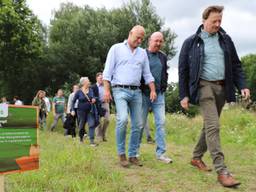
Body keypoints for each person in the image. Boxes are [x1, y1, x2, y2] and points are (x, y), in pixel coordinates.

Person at [178, 5, 250, 188]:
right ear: (204, 21)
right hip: (203, 87)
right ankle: (222, 171)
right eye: (214, 21)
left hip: (222, 88)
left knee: (209, 126)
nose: (217, 24)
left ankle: (196, 157)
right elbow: (183, 71)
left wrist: (242, 86)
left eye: (220, 21)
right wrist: (184, 95)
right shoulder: (191, 42)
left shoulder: (225, 40)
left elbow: (236, 65)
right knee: (214, 126)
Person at [103, 25, 156, 167]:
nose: (139, 41)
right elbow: (107, 72)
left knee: (138, 124)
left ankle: (133, 155)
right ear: (130, 33)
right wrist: (107, 91)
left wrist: (152, 90)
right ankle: (121, 154)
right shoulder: (116, 49)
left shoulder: (142, 53)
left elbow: (147, 74)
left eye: (142, 39)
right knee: (123, 119)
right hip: (119, 90)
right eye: (137, 37)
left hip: (136, 92)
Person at [139, 32, 172, 164]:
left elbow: (165, 73)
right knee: (140, 124)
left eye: (161, 41)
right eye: (156, 41)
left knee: (161, 123)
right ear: (149, 41)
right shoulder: (142, 54)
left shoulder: (163, 56)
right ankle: (134, 152)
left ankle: (161, 154)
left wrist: (163, 87)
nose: (158, 43)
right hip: (143, 94)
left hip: (159, 95)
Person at [71, 77, 98, 146]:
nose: (89, 82)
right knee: (81, 126)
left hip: (90, 110)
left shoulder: (91, 90)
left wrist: (94, 99)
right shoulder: (79, 92)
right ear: (83, 83)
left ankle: (92, 141)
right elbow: (73, 101)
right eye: (88, 81)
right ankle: (81, 139)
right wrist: (73, 110)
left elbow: (94, 97)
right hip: (81, 111)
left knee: (91, 124)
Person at [92, 72, 110, 142]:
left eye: (103, 78)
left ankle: (103, 133)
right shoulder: (93, 87)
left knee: (107, 120)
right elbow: (91, 96)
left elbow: (108, 93)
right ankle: (99, 136)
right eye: (100, 78)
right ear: (97, 78)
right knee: (98, 121)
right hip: (97, 105)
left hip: (106, 103)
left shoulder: (106, 86)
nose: (102, 79)